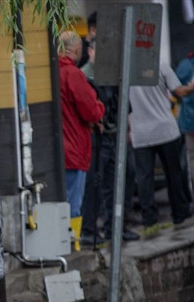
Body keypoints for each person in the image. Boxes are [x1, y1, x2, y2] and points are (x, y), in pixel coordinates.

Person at [79, 38, 140, 245]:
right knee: (96, 184)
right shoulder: (85, 74)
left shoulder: (112, 75)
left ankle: (116, 228)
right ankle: (89, 230)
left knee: (121, 181)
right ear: (90, 52)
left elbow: (122, 103)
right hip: (98, 137)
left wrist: (128, 129)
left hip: (115, 136)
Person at [129, 62, 194, 235]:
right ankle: (179, 214)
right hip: (165, 130)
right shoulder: (160, 65)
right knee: (174, 173)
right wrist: (191, 86)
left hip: (140, 132)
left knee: (144, 178)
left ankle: (149, 221)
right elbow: (179, 91)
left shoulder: (126, 69)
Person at [58, 31, 105, 246]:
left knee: (60, 202)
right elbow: (91, 111)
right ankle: (72, 244)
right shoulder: (72, 74)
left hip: (55, 153)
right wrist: (100, 107)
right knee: (73, 203)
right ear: (76, 49)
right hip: (74, 149)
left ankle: (61, 243)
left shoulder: (51, 74)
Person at [176, 51, 194, 203]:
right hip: (190, 123)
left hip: (189, 123)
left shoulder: (185, 65)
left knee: (191, 164)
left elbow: (174, 91)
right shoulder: (187, 65)